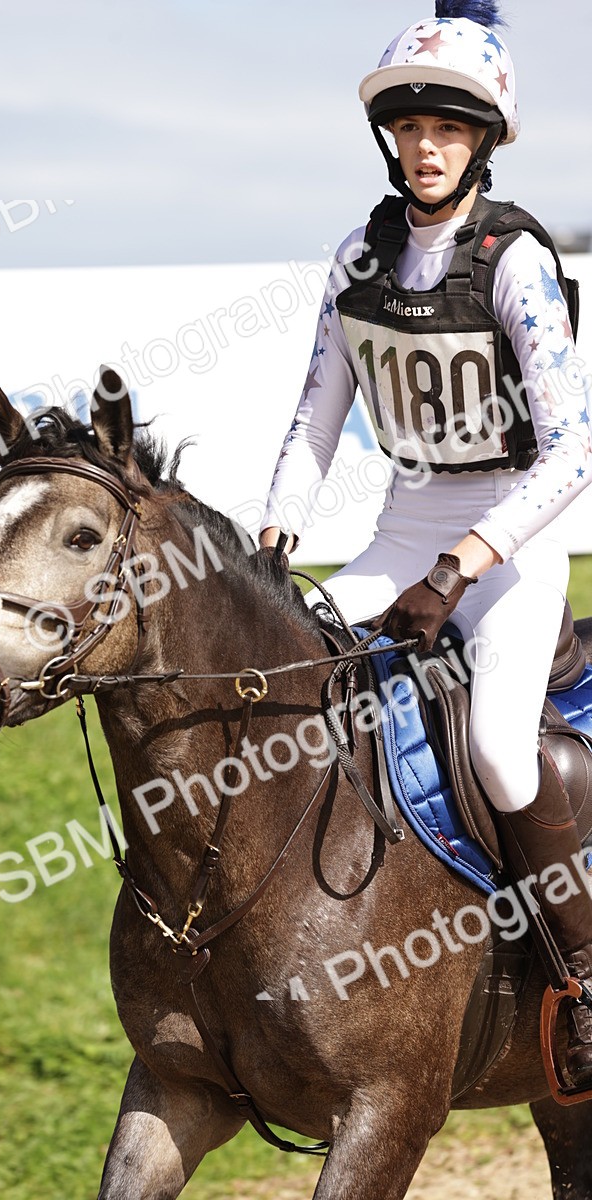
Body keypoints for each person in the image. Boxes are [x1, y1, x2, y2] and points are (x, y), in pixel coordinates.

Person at [260, 0, 592, 1086]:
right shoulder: (357, 258)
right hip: (398, 525)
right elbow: (315, 416)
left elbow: (573, 451)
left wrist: (462, 567)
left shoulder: (511, 260)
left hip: (509, 541)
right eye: (407, 126)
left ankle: (581, 981)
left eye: (446, 127)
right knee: (277, 679)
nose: (423, 144)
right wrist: (275, 532)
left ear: (482, 141)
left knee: (499, 746)